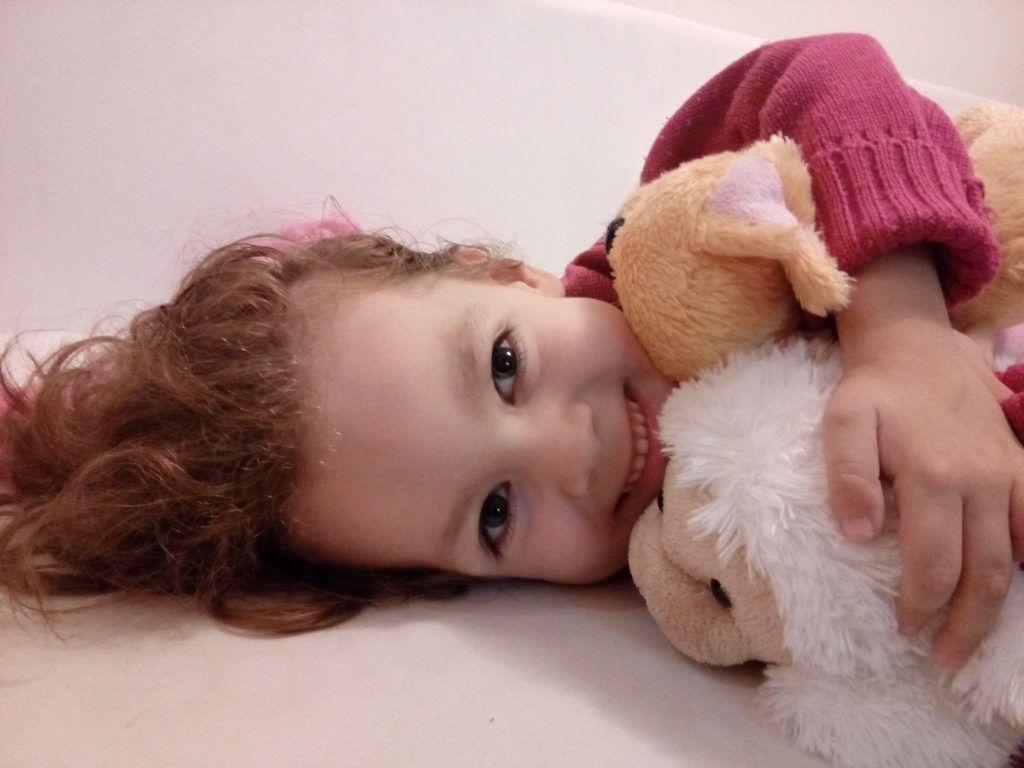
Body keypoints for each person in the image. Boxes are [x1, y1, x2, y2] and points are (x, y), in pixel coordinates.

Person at [0, 34, 1020, 674]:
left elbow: (828, 72)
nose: (572, 453)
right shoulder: (682, 567)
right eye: (495, 514)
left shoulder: (679, 235)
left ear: (509, 276)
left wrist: (901, 334)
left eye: (503, 367)